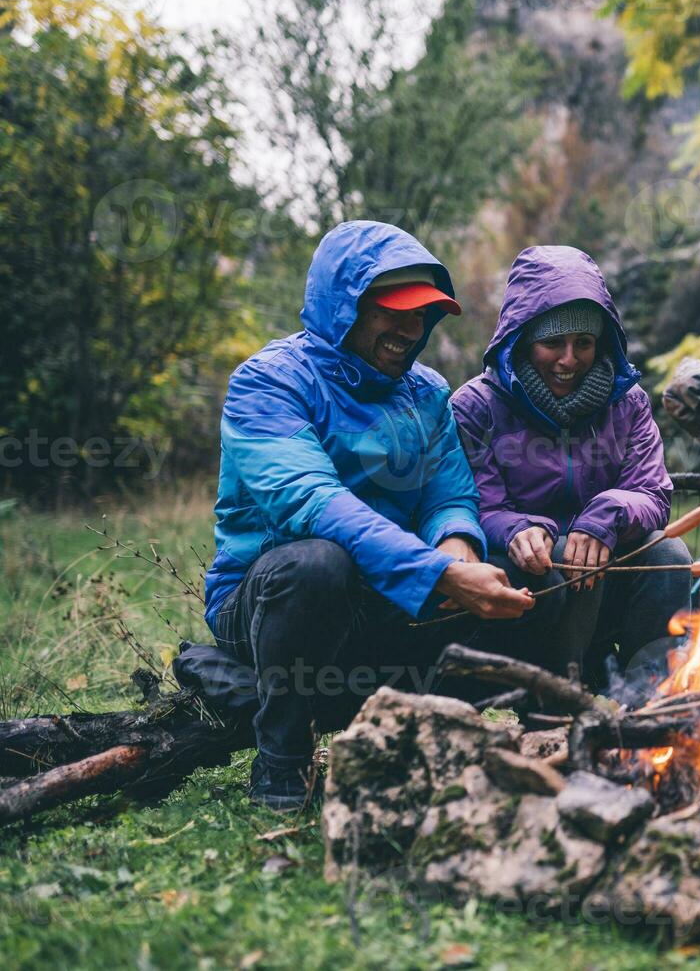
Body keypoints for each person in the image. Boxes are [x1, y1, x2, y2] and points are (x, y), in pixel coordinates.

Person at [201, 221, 532, 811]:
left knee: (522, 565)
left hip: (385, 592)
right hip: (266, 596)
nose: (409, 329)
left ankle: (480, 733)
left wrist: (457, 548)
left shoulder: (427, 393)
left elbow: (447, 495)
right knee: (316, 564)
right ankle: (282, 759)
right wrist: (435, 573)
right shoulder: (269, 382)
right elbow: (312, 502)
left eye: (422, 314)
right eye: (393, 311)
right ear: (343, 307)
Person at [452, 245, 688, 690]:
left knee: (668, 555)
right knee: (559, 555)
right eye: (552, 343)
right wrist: (517, 528)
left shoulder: (628, 403)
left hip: (608, 571)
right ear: (522, 340)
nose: (569, 360)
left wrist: (606, 516)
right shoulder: (475, 407)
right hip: (522, 583)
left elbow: (652, 492)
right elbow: (466, 502)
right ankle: (551, 708)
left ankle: (651, 707)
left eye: (584, 343)